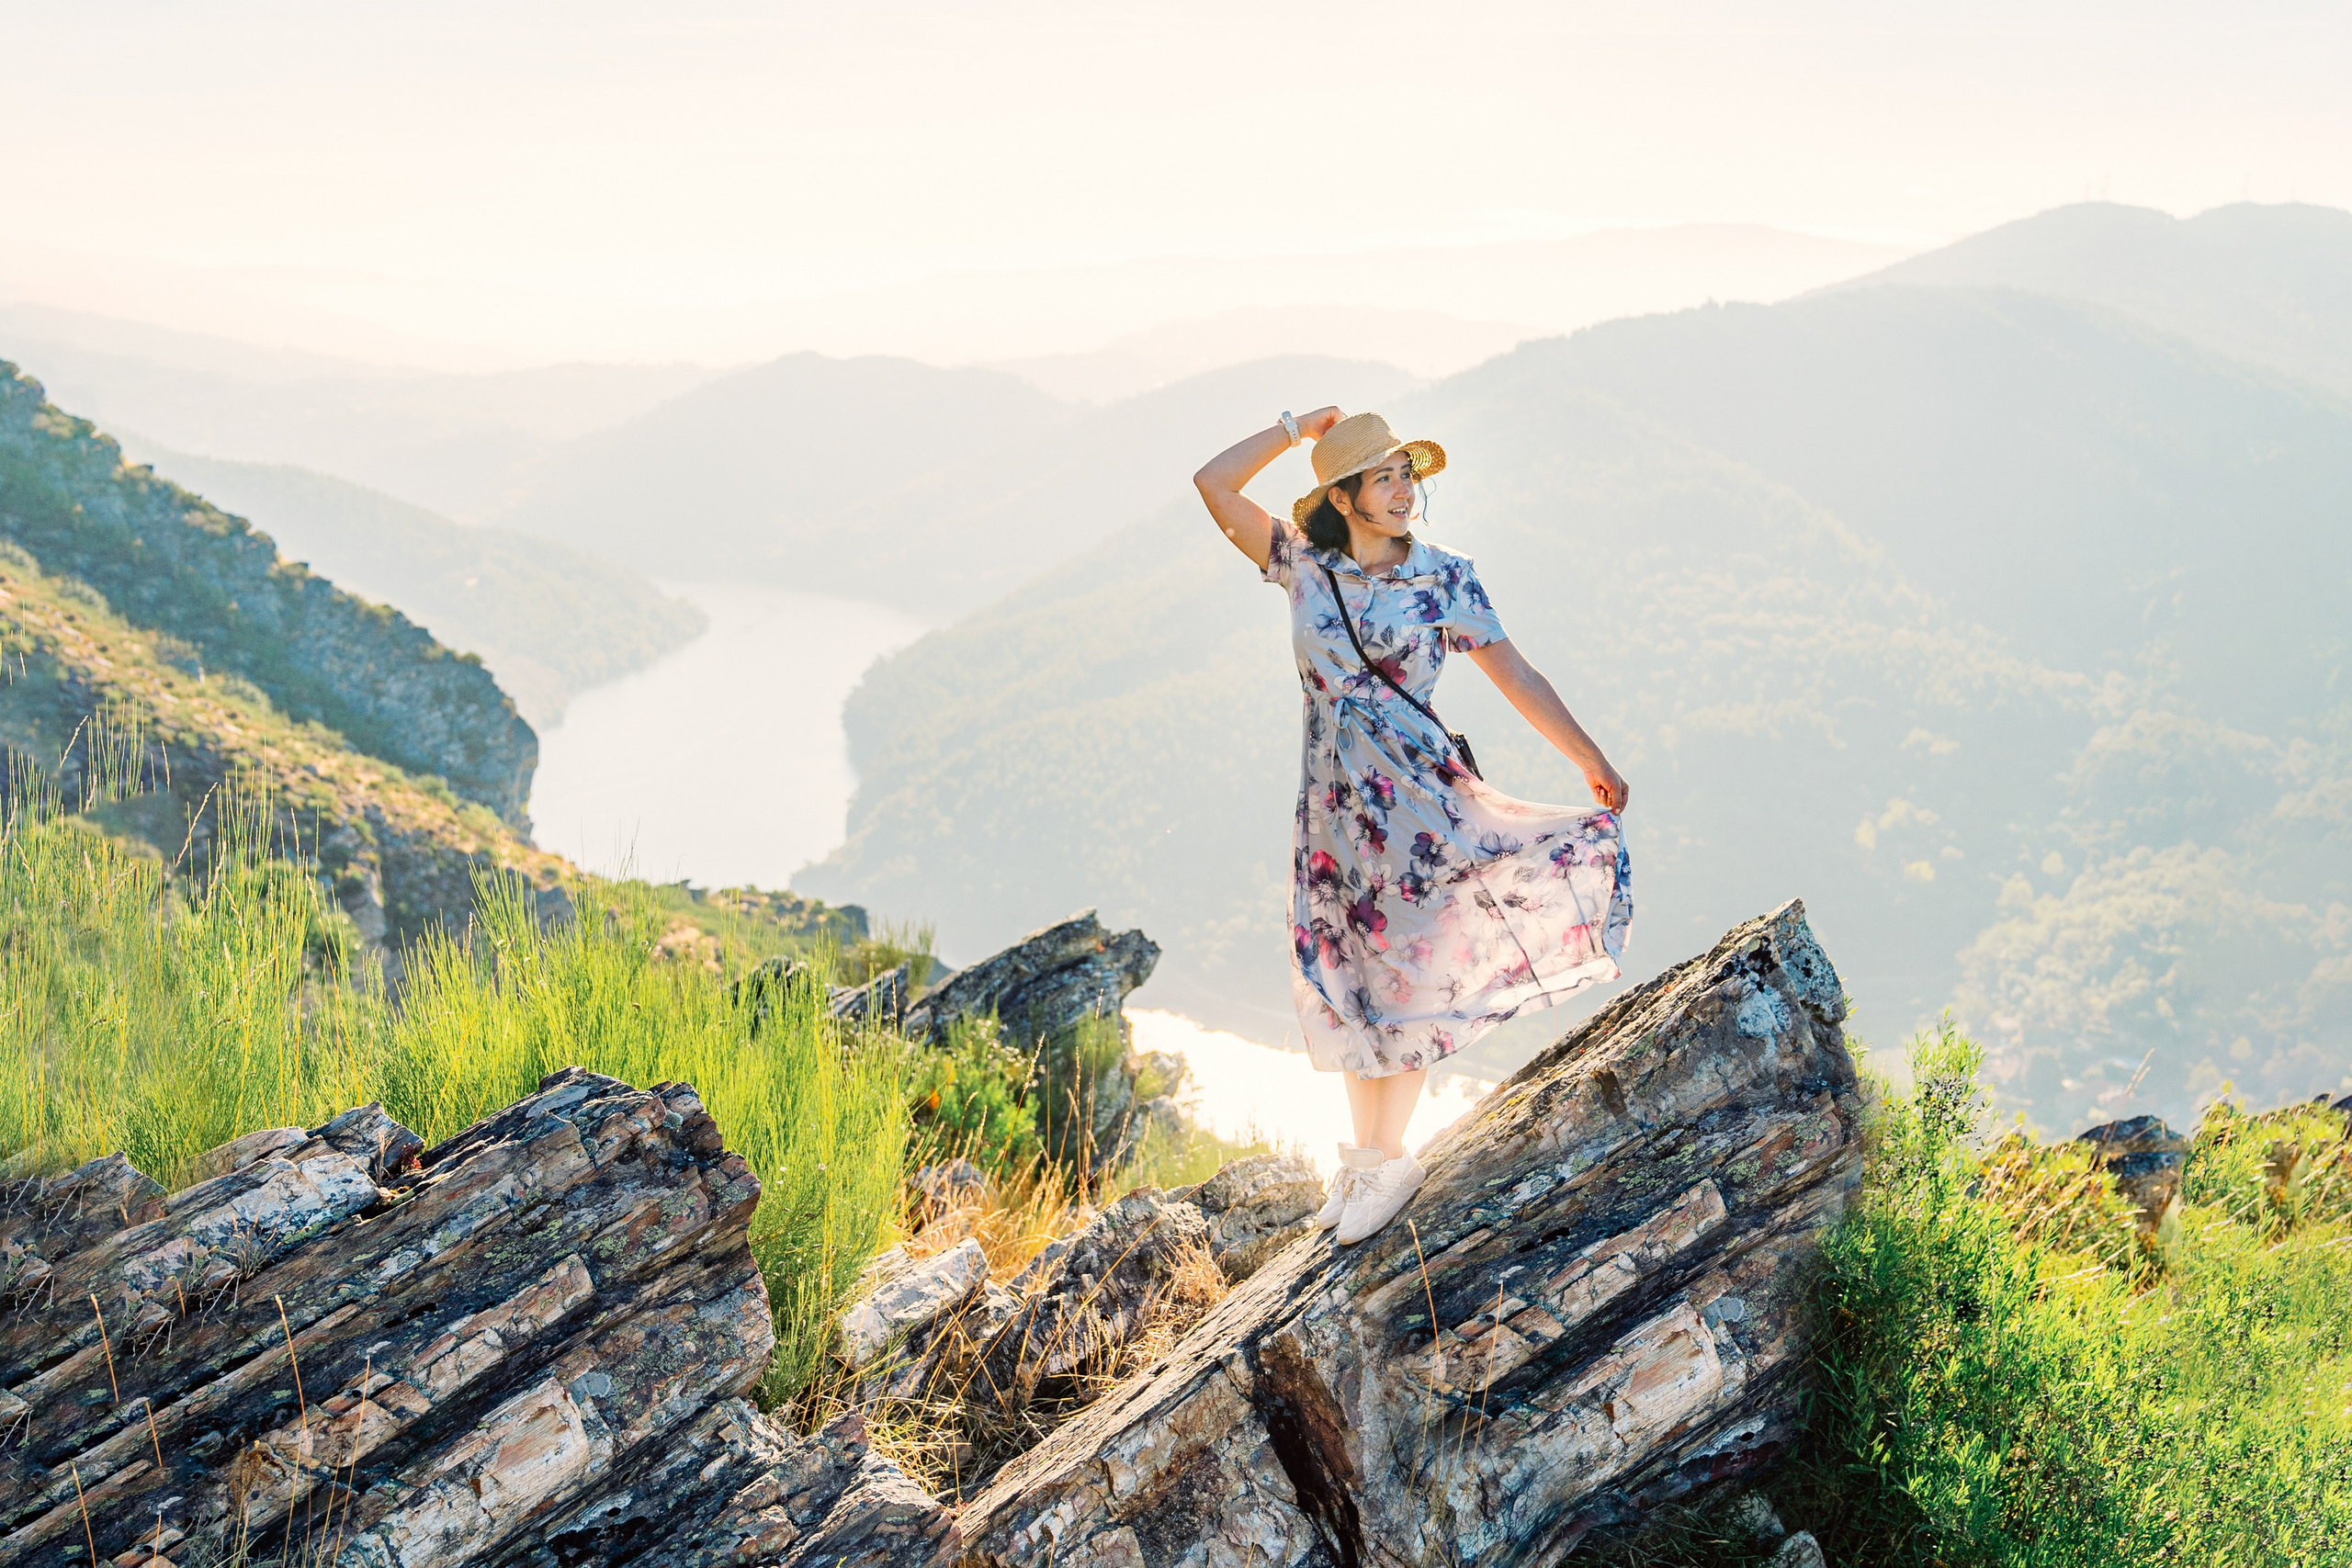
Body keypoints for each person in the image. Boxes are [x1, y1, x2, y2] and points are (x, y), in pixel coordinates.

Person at [1193, 408, 1633, 1244]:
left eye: (1408, 475)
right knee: (1351, 967)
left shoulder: (1445, 576)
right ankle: (1364, 1158)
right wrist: (1294, 428)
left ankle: (1390, 1158)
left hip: (1417, 803)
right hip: (1332, 808)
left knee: (1409, 970)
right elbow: (1212, 485)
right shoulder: (1302, 562)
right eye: (1385, 477)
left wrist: (1590, 757)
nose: (1405, 491)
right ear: (1343, 496)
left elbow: (1516, 672)